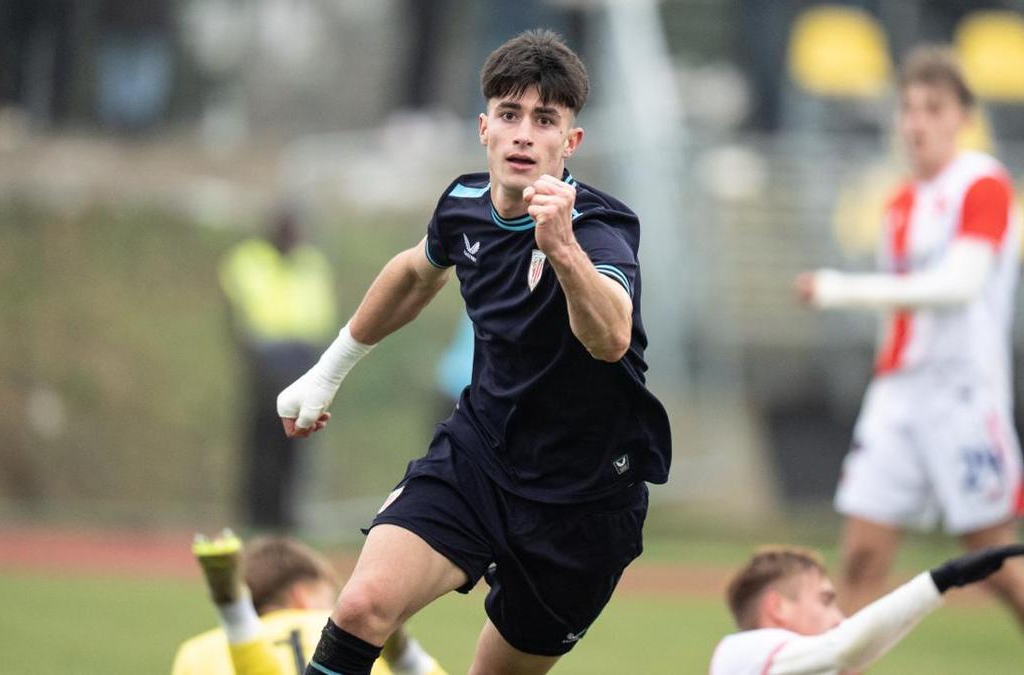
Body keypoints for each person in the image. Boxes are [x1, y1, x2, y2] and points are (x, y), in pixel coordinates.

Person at [275, 29, 671, 675]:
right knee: (361, 604)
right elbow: (413, 273)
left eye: (545, 120)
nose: (523, 134)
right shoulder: (462, 206)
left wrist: (562, 249)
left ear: (570, 143)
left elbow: (612, 336)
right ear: (483, 128)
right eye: (510, 115)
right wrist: (327, 372)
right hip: (481, 456)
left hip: (585, 498)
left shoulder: (600, 227)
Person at [796, 46, 1024, 675]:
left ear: (963, 116)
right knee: (860, 560)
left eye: (933, 108)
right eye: (908, 108)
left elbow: (958, 285)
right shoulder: (900, 203)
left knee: (995, 563)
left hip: (962, 396)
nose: (917, 122)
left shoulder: (982, 182)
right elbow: (904, 314)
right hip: (899, 396)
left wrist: (842, 288)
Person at [709, 543, 1024, 674]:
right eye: (825, 601)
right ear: (777, 606)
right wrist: (943, 580)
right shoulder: (741, 654)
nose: (840, 618)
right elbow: (845, 648)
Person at [173, 530, 446, 675]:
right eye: (330, 593)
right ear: (301, 595)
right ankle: (404, 652)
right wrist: (402, 659)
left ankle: (235, 616)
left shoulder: (198, 651)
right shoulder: (356, 639)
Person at [220, 208, 338, 530]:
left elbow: (321, 313)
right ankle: (257, 516)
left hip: (305, 361)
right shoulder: (248, 260)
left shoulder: (312, 263)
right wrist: (253, 359)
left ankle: (287, 517)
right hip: (265, 361)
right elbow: (236, 312)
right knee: (264, 442)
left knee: (297, 443)